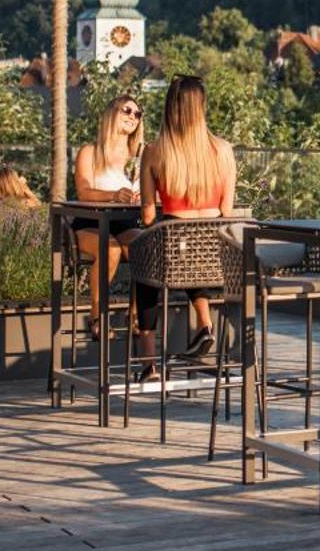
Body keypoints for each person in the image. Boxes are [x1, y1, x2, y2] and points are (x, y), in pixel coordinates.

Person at [133, 75, 236, 374]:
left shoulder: (154, 152)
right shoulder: (223, 151)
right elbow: (226, 211)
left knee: (145, 267)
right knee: (188, 249)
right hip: (214, 254)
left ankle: (148, 364)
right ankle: (205, 325)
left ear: (170, 108)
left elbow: (149, 215)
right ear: (201, 107)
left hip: (175, 249)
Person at [72, 96, 145, 334]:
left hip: (125, 222)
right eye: (127, 110)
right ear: (112, 112)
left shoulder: (138, 157)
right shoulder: (90, 152)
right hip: (90, 222)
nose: (133, 116)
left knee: (145, 247)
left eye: (137, 113)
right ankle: (97, 316)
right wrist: (114, 195)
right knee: (110, 248)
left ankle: (135, 313)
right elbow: (83, 192)